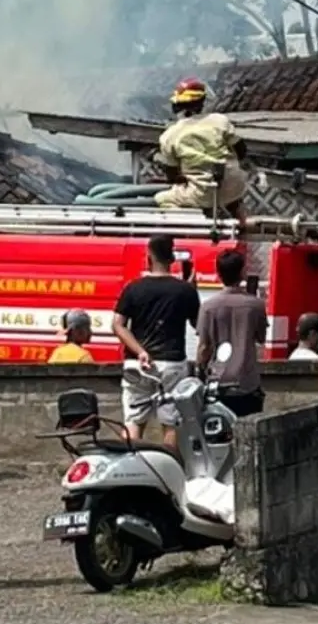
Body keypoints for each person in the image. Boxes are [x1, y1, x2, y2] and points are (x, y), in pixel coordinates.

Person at [112, 235, 201, 450]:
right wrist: (191, 290)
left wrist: (140, 351)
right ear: (172, 258)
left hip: (137, 365)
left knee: (133, 420)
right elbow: (198, 326)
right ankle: (169, 465)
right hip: (172, 364)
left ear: (149, 257)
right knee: (171, 423)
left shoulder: (133, 288)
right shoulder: (184, 290)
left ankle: (131, 464)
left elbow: (117, 325)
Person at [154, 78, 250, 219]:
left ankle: (187, 224)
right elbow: (241, 150)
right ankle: (240, 218)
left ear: (175, 106)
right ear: (202, 103)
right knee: (229, 194)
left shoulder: (170, 136)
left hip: (204, 194)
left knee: (161, 198)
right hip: (235, 189)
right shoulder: (220, 121)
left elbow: (172, 175)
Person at [197, 249, 268, 416]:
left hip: (218, 382)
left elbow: (204, 347)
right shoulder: (256, 305)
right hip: (247, 383)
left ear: (218, 273)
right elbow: (261, 338)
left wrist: (199, 371)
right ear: (242, 272)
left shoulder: (208, 307)